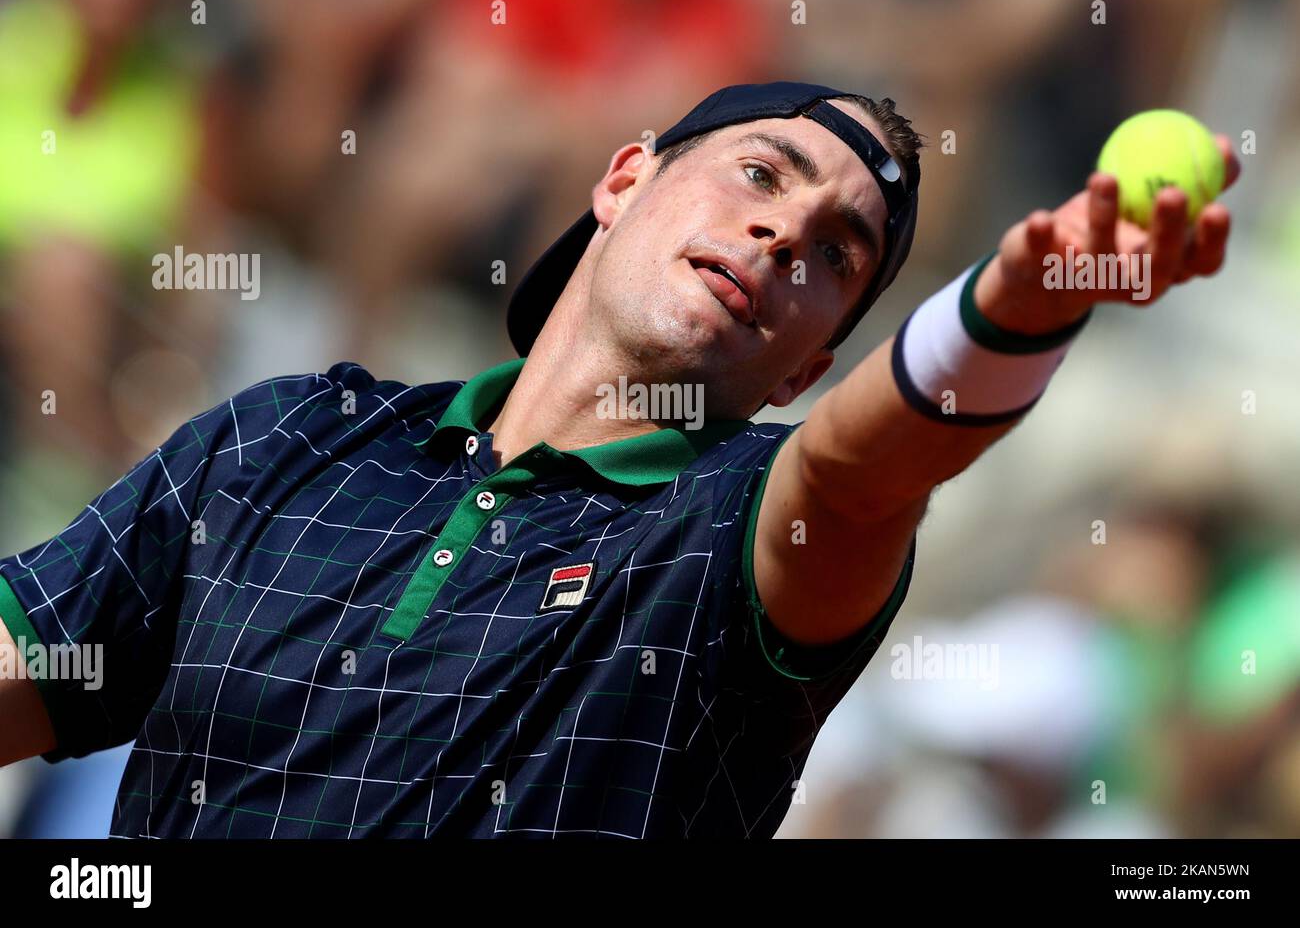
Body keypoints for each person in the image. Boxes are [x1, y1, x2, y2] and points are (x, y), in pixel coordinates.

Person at [0, 82, 1237, 838]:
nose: (781, 232)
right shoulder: (286, 439)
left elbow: (867, 468)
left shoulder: (736, 539)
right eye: (761, 173)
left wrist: (1022, 300)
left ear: (804, 370)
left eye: (836, 257)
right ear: (624, 176)